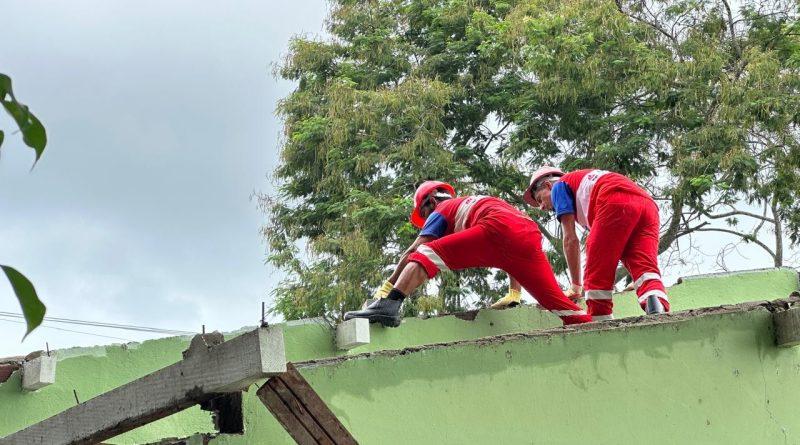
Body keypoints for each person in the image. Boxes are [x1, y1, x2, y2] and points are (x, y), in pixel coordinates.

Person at [344, 181, 592, 327]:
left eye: (425, 211)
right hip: (527, 233)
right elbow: (510, 242)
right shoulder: (475, 201)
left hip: (495, 228)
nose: (427, 218)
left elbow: (414, 250)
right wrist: (514, 293)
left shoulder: (441, 210)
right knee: (561, 307)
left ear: (431, 200)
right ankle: (599, 325)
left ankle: (388, 306)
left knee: (425, 253)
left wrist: (386, 288)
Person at [523, 167, 670, 321]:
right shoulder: (582, 188)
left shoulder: (559, 186)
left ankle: (601, 323)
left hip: (614, 199)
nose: (541, 207)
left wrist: (575, 287)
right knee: (644, 266)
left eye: (540, 199)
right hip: (648, 206)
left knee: (597, 266)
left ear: (548, 185)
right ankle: (657, 310)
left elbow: (570, 239)